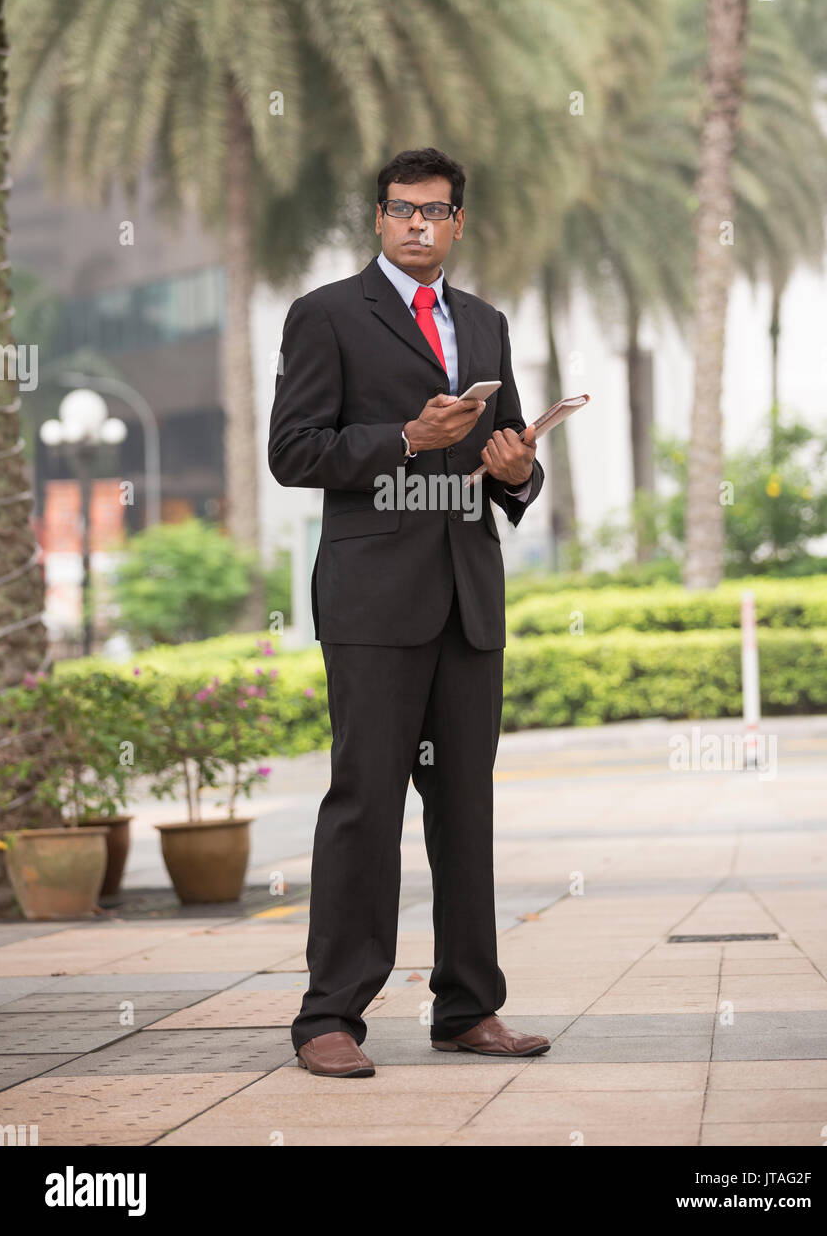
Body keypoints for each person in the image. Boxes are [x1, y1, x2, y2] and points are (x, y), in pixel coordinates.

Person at [268, 146, 550, 1077]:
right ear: (379, 219)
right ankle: (329, 1019)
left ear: (458, 223)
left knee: (465, 809)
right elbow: (294, 451)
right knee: (364, 805)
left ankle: (469, 1008)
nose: (417, 224)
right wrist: (402, 438)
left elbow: (502, 465)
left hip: (468, 595)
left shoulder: (485, 322)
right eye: (400, 209)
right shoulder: (327, 316)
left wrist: (520, 474)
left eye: (435, 210)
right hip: (373, 600)